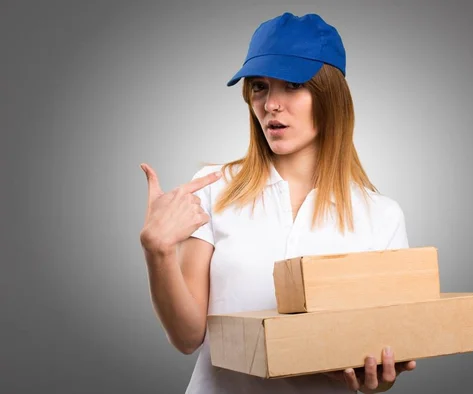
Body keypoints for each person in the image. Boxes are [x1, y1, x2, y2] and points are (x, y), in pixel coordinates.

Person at [139, 12, 416, 394]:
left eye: (292, 84)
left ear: (330, 95)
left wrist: (376, 379)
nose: (271, 104)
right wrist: (159, 253)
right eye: (259, 87)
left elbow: (385, 351)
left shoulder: (380, 216)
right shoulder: (215, 189)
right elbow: (188, 338)